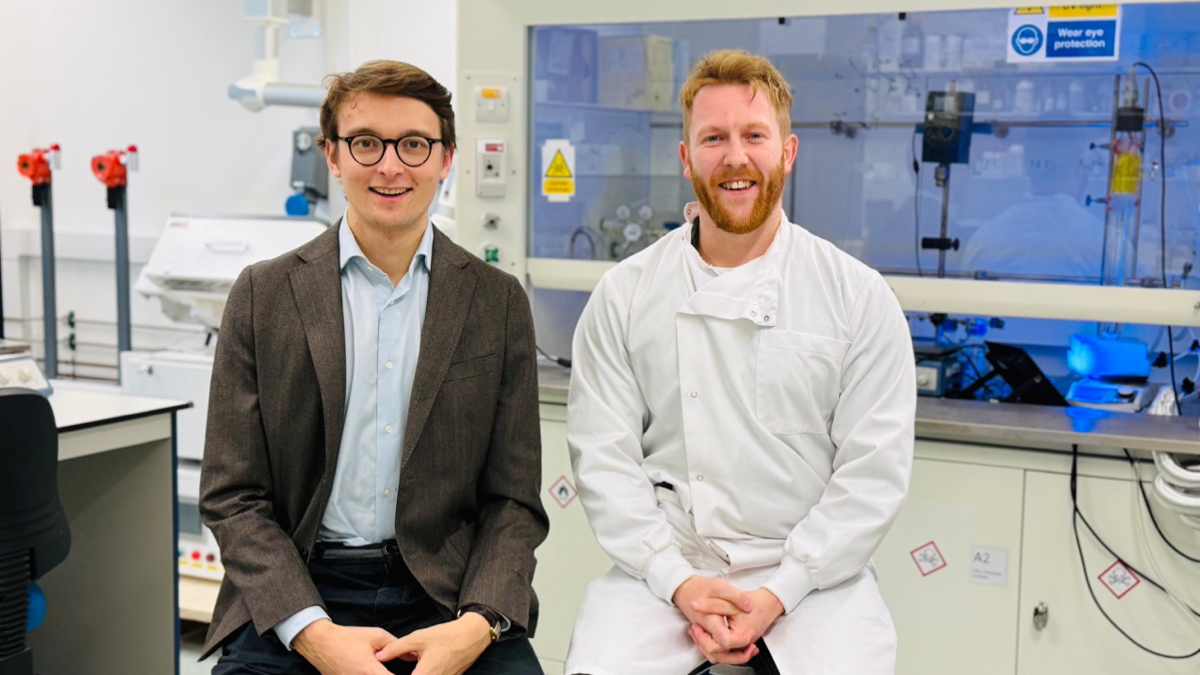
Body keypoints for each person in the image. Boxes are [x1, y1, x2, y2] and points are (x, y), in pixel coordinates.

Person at [564, 49, 916, 675]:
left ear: (788, 151)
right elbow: (604, 463)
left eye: (755, 135)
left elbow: (871, 476)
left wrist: (782, 590)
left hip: (815, 580)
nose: (735, 157)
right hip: (667, 572)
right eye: (713, 138)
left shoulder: (857, 297)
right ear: (685, 156)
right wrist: (676, 580)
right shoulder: (626, 295)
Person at [199, 60, 548, 675]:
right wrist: (313, 634)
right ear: (333, 156)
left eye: (414, 144)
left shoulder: (495, 301)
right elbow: (234, 496)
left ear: (447, 158)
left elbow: (513, 503)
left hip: (447, 590)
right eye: (366, 143)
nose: (391, 166)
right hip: (302, 583)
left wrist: (473, 628)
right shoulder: (264, 294)